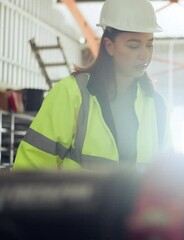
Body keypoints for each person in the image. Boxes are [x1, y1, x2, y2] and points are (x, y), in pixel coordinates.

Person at [13, 0, 172, 171]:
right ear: (109, 46)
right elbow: (32, 167)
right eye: (133, 45)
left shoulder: (156, 105)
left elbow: (168, 175)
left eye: (150, 44)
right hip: (77, 199)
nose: (144, 54)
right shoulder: (72, 94)